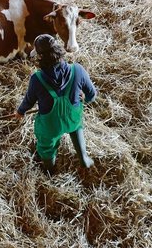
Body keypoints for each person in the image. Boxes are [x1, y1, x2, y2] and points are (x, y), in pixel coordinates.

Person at [14, 34, 97, 173]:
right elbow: (92, 95)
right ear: (58, 49)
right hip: (73, 118)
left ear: (40, 57)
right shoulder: (78, 70)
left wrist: (20, 112)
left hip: (50, 126)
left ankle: (49, 168)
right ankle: (84, 158)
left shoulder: (37, 79)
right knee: (76, 128)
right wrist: (85, 99)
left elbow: (29, 101)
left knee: (46, 145)